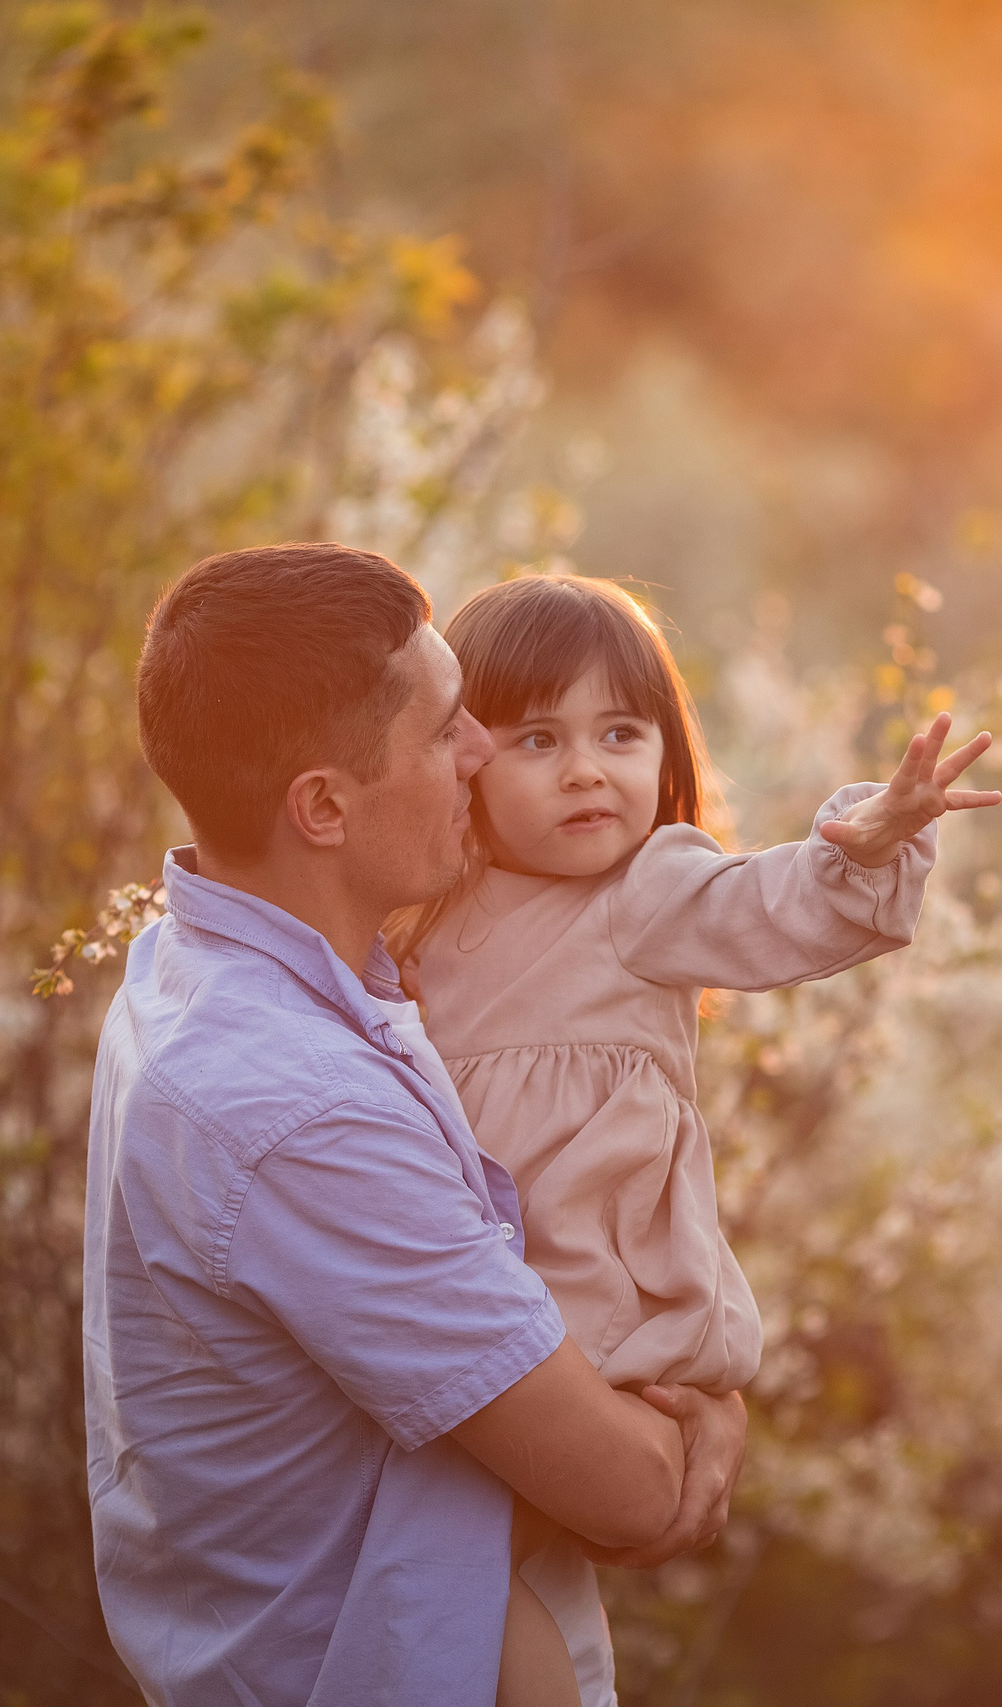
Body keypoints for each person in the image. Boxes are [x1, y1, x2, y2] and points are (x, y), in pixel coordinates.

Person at [82, 543, 747, 1707]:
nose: (483, 753)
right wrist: (704, 1420)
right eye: (445, 732)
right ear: (322, 807)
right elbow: (631, 1491)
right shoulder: (301, 1113)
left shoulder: (198, 966)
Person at [390, 573, 999, 1691]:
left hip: (603, 1308)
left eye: (620, 733)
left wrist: (865, 840)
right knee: (470, 1574)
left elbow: (772, 904)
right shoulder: (425, 916)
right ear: (466, 757)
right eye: (538, 739)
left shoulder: (649, 893)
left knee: (475, 1566)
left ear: (665, 750)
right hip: (487, 1303)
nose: (586, 769)